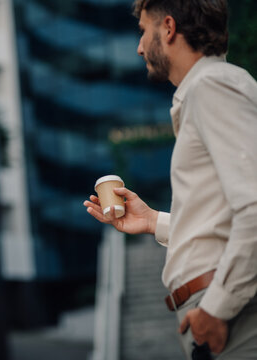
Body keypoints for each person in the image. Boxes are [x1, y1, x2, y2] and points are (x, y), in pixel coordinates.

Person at [84, 0, 257, 359]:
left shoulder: (212, 87)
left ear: (168, 27)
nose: (139, 46)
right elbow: (219, 220)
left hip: (227, 314)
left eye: (143, 31)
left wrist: (216, 309)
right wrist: (151, 221)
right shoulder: (206, 91)